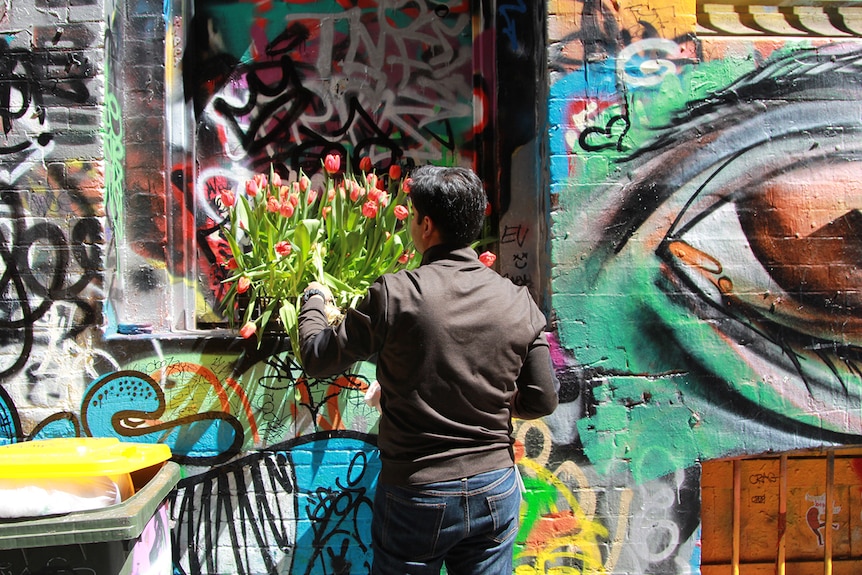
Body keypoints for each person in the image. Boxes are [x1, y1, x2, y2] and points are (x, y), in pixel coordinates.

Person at [298, 165, 559, 575]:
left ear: (425, 223)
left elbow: (317, 356)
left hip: (418, 494)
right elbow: (543, 397)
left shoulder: (395, 295)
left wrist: (313, 300)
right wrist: (486, 399)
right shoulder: (518, 301)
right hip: (495, 483)